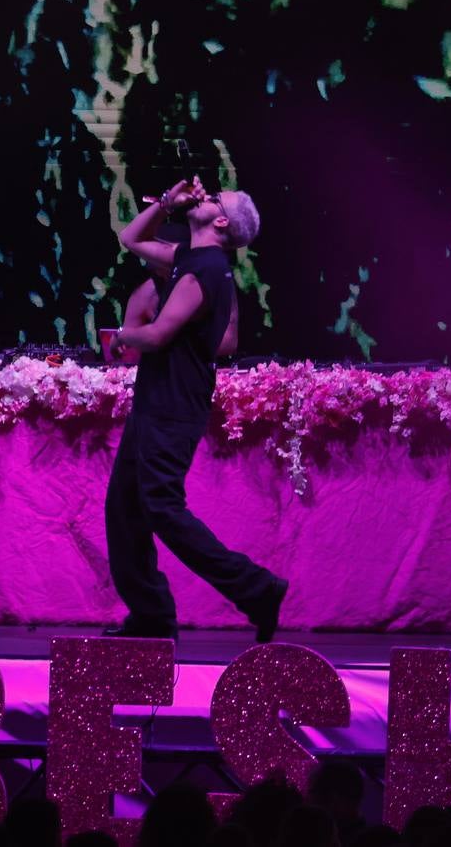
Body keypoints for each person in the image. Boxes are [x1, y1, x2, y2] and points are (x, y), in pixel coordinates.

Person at [104, 175, 288, 641]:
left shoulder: (204, 270)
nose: (205, 195)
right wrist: (167, 201)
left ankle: (256, 588)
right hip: (158, 399)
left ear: (221, 221)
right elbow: (132, 238)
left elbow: (158, 334)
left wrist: (121, 338)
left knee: (162, 507)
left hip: (172, 404)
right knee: (125, 508)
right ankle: (151, 615)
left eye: (214, 198)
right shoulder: (191, 258)